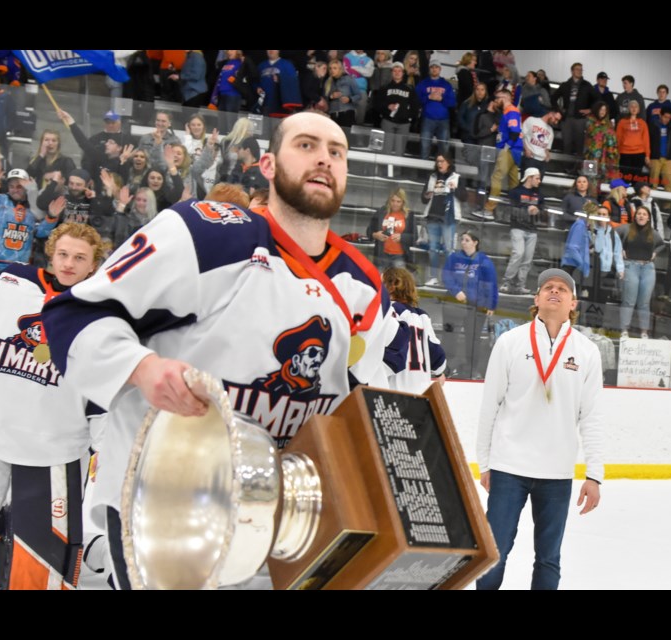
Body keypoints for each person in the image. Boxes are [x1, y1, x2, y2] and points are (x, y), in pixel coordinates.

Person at [41, 113, 401, 588]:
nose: (323, 159)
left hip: (277, 526)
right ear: (268, 165)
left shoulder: (366, 285)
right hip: (161, 512)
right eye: (307, 145)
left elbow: (354, 403)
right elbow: (74, 315)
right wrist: (143, 368)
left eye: (336, 152)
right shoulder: (204, 232)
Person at [0, 223, 104, 590]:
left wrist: (103, 439)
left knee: (44, 558)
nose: (68, 264)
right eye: (63, 254)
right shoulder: (10, 280)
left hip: (53, 444)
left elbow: (103, 379)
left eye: (80, 258)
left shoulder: (99, 308)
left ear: (94, 265)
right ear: (50, 253)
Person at [476, 268, 604, 590]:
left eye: (563, 289)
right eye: (548, 287)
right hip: (508, 468)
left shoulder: (587, 352)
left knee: (548, 558)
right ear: (536, 298)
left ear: (573, 303)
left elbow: (591, 416)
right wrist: (485, 463)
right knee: (494, 553)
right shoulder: (510, 342)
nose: (555, 292)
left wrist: (594, 474)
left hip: (557, 473)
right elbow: (489, 406)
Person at [441, 230, 498, 379]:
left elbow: (491, 284)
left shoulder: (484, 261)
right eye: (462, 239)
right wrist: (456, 291)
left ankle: (471, 369)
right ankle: (445, 367)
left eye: (467, 240)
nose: (463, 242)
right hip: (454, 303)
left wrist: (491, 305)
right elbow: (446, 276)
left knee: (473, 339)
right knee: (449, 336)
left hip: (476, 306)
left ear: (475, 242)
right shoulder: (454, 257)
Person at [382, 267, 447, 393]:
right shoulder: (422, 316)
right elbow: (436, 353)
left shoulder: (388, 310)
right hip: (420, 391)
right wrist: (439, 373)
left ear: (391, 286)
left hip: (393, 390)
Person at [0, 168, 60, 270]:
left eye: (19, 186)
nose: (15, 190)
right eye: (11, 186)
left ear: (26, 187)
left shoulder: (34, 206)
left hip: (22, 268)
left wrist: (51, 216)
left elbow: (41, 232)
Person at [619, 206, 663, 338]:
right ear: (635, 216)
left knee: (644, 302)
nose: (641, 216)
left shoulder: (653, 232)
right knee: (629, 300)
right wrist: (620, 249)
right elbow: (612, 235)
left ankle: (644, 331)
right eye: (639, 214)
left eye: (644, 214)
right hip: (630, 266)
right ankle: (624, 330)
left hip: (648, 268)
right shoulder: (626, 228)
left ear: (648, 217)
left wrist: (655, 252)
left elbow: (662, 244)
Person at [421, 154, 465, 287]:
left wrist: (455, 189)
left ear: (449, 163)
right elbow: (423, 199)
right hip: (433, 216)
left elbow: (464, 197)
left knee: (449, 249)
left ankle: (449, 278)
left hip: (449, 218)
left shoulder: (457, 177)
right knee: (433, 249)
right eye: (438, 161)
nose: (439, 163)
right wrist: (427, 195)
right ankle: (433, 277)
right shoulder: (432, 177)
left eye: (442, 161)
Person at [500, 167, 544, 295]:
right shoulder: (515, 192)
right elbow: (509, 209)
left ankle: (520, 284)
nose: (539, 181)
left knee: (527, 258)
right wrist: (526, 209)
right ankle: (507, 282)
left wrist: (538, 210)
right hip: (518, 227)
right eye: (537, 178)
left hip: (532, 229)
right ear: (529, 177)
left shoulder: (539, 195)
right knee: (518, 254)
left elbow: (543, 208)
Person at [480, 89, 522, 221]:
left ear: (504, 98)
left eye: (497, 98)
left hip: (509, 150)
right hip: (514, 150)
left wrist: (506, 147)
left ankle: (489, 209)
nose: (496, 101)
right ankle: (516, 213)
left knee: (497, 177)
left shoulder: (512, 111)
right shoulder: (508, 112)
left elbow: (515, 132)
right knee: (514, 182)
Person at [551, 63, 598, 157]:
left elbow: (597, 99)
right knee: (566, 144)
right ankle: (566, 169)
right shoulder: (565, 85)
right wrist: (559, 111)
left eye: (581, 69)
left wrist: (590, 110)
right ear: (572, 71)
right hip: (566, 120)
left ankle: (577, 169)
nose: (580, 71)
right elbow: (553, 98)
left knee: (580, 145)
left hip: (580, 120)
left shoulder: (587, 85)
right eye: (577, 69)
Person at [376, 62, 420, 158]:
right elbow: (377, 104)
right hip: (388, 121)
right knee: (385, 150)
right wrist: (387, 107)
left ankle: (396, 173)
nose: (397, 73)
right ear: (391, 72)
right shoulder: (384, 88)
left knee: (399, 152)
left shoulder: (409, 90)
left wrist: (409, 117)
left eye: (399, 71)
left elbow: (415, 107)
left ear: (403, 73)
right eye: (395, 71)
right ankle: (384, 172)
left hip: (404, 123)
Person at [416, 59, 456, 160]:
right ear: (430, 69)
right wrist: (428, 97)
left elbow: (453, 102)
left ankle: (444, 173)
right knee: (424, 147)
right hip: (427, 119)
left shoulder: (446, 84)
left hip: (443, 120)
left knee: (444, 149)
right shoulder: (423, 83)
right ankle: (423, 174)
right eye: (432, 67)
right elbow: (416, 100)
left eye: (436, 67)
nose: (434, 69)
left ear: (440, 69)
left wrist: (442, 99)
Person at [367, 188, 416, 271]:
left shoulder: (409, 215)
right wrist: (375, 235)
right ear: (389, 200)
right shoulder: (381, 212)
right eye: (393, 201)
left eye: (398, 201)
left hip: (400, 256)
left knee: (399, 282)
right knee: (379, 282)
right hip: (381, 255)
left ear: (403, 202)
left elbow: (415, 237)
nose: (395, 204)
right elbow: (369, 231)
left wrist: (402, 237)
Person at [583, 101, 618, 187]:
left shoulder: (608, 124)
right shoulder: (590, 121)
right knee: (589, 179)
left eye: (605, 110)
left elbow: (613, 139)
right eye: (601, 109)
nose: (603, 112)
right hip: (591, 157)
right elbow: (592, 134)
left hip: (604, 158)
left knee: (603, 182)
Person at [521, 109, 561, 181]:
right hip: (530, 158)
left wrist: (547, 155)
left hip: (542, 161)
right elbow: (521, 136)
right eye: (555, 119)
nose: (556, 122)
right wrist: (526, 149)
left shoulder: (551, 130)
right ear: (550, 114)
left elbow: (547, 148)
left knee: (537, 186)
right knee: (526, 183)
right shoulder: (532, 120)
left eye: (558, 120)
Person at [615, 101, 650, 178]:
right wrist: (617, 152)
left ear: (639, 109)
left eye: (636, 107)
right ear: (628, 109)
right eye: (632, 106)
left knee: (637, 179)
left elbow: (646, 140)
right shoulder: (622, 122)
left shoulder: (643, 123)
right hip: (625, 153)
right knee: (624, 178)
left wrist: (647, 155)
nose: (634, 108)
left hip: (639, 153)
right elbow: (618, 138)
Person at [648, 107, 671, 191]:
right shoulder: (653, 125)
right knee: (653, 184)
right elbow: (649, 141)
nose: (667, 119)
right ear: (660, 115)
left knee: (668, 186)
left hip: (668, 159)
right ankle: (650, 204)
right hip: (655, 158)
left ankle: (667, 205)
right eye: (665, 117)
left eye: (669, 117)